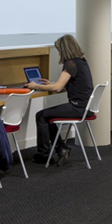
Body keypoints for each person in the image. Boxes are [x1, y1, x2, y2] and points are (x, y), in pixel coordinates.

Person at [25, 34, 93, 166]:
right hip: (85, 107)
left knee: (41, 115)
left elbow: (57, 88)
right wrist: (50, 83)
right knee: (47, 116)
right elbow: (64, 85)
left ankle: (44, 155)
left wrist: (36, 86)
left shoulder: (70, 63)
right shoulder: (81, 61)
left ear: (64, 49)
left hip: (77, 108)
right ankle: (61, 148)